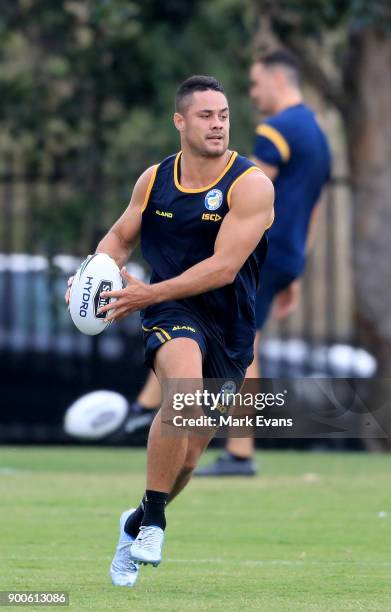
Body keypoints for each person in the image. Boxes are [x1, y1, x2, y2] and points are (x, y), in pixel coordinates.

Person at [65, 75, 274, 587]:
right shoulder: (155, 180)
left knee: (188, 457)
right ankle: (155, 520)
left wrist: (144, 293)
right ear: (180, 121)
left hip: (229, 325)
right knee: (181, 390)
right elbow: (120, 235)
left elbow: (224, 268)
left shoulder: (250, 184)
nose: (218, 123)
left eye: (223, 114)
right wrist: (95, 271)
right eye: (206, 115)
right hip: (172, 311)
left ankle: (136, 520)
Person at [195, 50, 332, 476]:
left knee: (238, 345)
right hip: (287, 254)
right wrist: (296, 268)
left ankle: (239, 450)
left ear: (277, 79)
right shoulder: (316, 132)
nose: (253, 94)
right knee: (239, 341)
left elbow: (250, 193)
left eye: (255, 85)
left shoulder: (276, 129)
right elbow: (312, 207)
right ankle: (229, 443)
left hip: (262, 251)